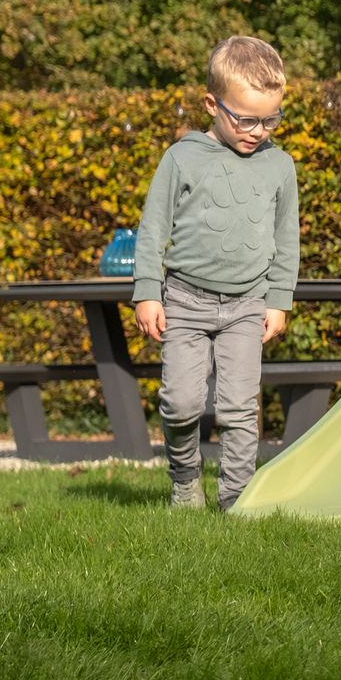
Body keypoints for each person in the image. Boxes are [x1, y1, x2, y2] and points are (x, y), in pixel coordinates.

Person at [131, 36, 300, 511]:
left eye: (270, 119)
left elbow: (287, 239)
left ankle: (236, 500)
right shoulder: (181, 158)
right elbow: (152, 229)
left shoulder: (280, 167)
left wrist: (278, 300)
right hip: (184, 300)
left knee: (239, 410)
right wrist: (148, 292)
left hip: (248, 305)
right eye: (245, 118)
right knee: (182, 404)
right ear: (211, 103)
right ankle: (185, 480)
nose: (258, 131)